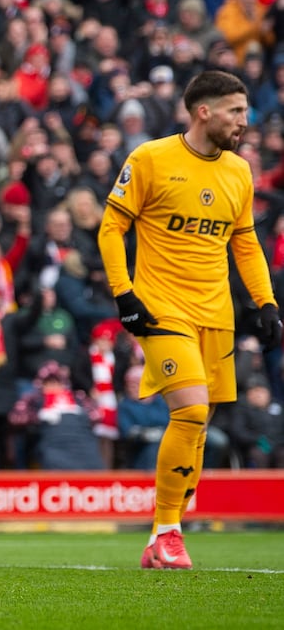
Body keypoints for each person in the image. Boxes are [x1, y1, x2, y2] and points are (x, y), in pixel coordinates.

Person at [98, 69, 282, 570]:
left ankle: (162, 536)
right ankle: (168, 530)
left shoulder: (239, 171)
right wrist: (124, 293)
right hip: (161, 308)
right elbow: (112, 228)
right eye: (236, 112)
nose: (246, 121)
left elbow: (244, 241)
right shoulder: (151, 158)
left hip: (216, 312)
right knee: (192, 412)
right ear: (204, 111)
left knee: (197, 427)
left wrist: (265, 302)